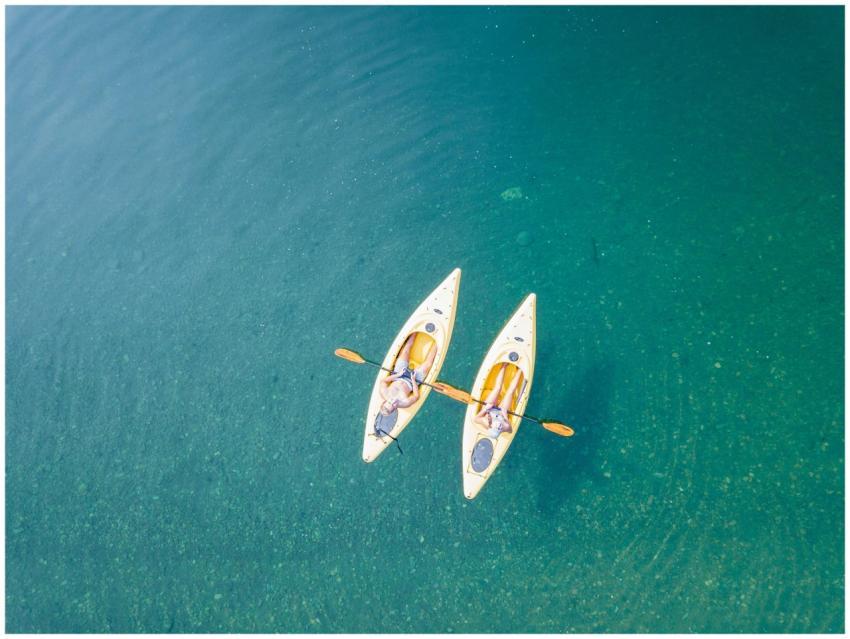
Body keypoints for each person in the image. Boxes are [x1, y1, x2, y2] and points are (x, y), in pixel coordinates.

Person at [378, 333, 437, 417]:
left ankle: (415, 333)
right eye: (393, 405)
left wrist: (397, 375)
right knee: (428, 364)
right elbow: (416, 396)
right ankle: (437, 344)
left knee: (405, 351)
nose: (393, 402)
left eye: (389, 402)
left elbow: (383, 381)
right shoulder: (405, 403)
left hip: (398, 375)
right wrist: (413, 380)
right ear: (395, 408)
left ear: (385, 401)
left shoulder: (383, 392)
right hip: (411, 382)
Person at [473, 362, 523, 438]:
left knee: (498, 388)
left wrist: (486, 408)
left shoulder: (486, 422)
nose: (499, 427)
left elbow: (475, 419)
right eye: (499, 430)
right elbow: (510, 430)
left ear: (491, 426)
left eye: (497, 428)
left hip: (489, 409)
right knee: (510, 392)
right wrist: (505, 415)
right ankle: (520, 370)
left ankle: (504, 365)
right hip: (501, 412)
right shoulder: (504, 427)